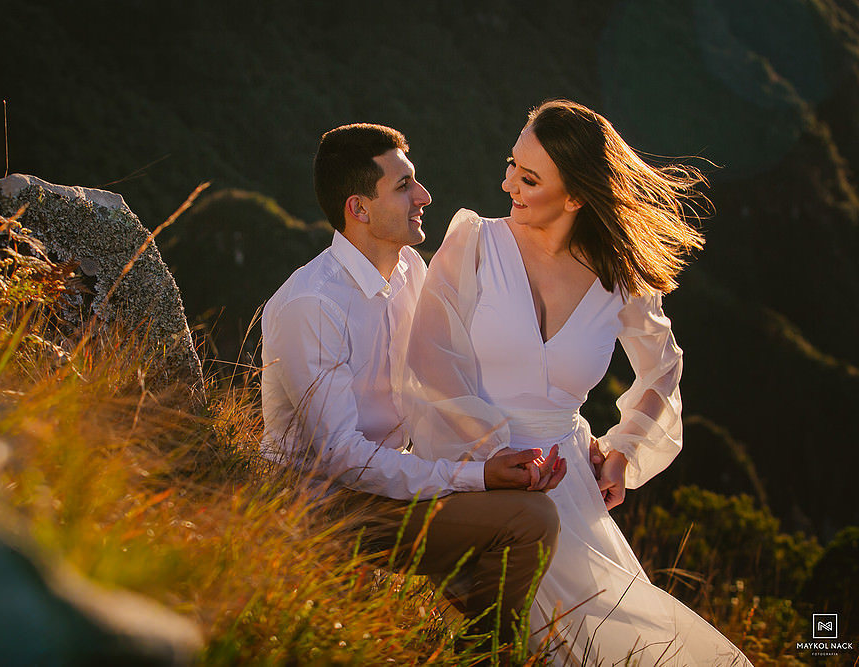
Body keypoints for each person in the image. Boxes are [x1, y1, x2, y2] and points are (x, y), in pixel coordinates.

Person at [403, 100, 752, 664]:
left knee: (619, 641)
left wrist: (622, 450)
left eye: (530, 177)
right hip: (470, 466)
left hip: (568, 484)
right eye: (512, 164)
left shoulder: (620, 276)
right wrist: (494, 457)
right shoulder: (473, 242)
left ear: (577, 196)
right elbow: (430, 362)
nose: (508, 183)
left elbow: (662, 366)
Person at [260, 123, 565, 646]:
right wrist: (476, 478)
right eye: (403, 187)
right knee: (530, 522)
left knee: (529, 512)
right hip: (325, 507)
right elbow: (343, 459)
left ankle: (465, 645)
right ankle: (481, 654)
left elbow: (439, 384)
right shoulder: (315, 303)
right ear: (359, 209)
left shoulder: (409, 270)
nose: (423, 197)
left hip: (390, 485)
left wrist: (499, 457)